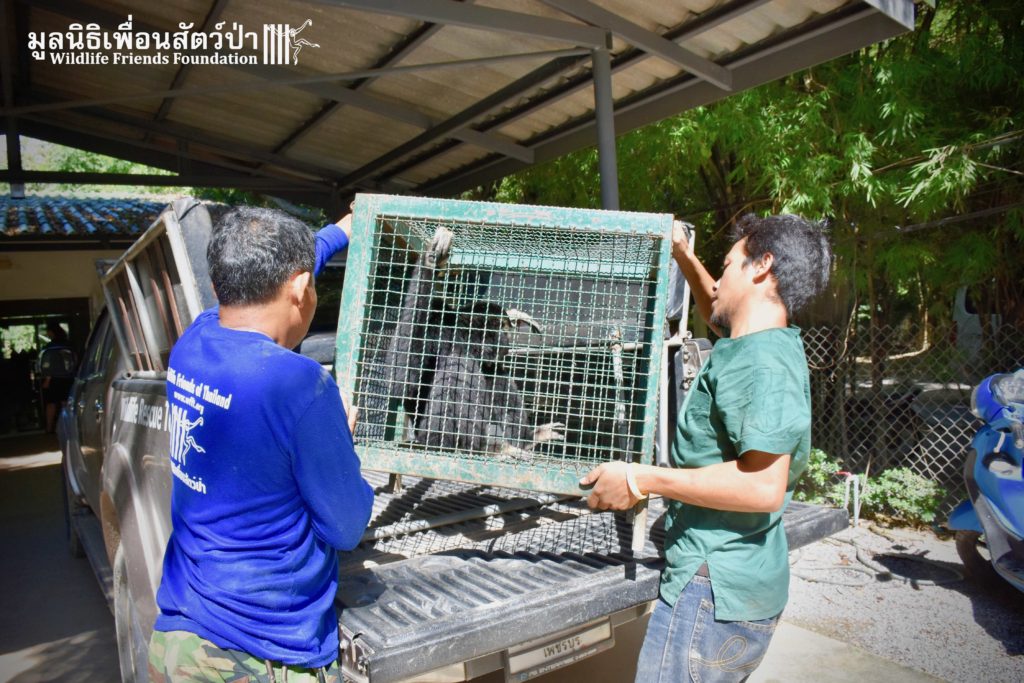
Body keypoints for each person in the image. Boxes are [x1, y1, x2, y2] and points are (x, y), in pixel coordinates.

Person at [581, 213, 832, 683]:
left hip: (713, 590)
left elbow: (762, 487)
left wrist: (640, 478)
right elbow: (714, 308)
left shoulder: (762, 363)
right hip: (727, 581)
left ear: (762, 266)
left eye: (729, 264)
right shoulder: (754, 342)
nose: (719, 280)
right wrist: (684, 254)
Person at [148, 208, 375, 683]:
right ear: (301, 288)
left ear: (220, 285)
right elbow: (346, 526)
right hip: (259, 655)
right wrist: (341, 439)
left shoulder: (194, 340)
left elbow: (276, 270)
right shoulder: (302, 385)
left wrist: (340, 232)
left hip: (181, 635)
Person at [38, 321, 76, 433]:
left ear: (51, 332)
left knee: (51, 403)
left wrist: (47, 380)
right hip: (68, 378)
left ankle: (49, 427)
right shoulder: (68, 345)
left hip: (54, 379)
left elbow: (49, 366)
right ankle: (68, 427)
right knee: (65, 403)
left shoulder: (50, 348)